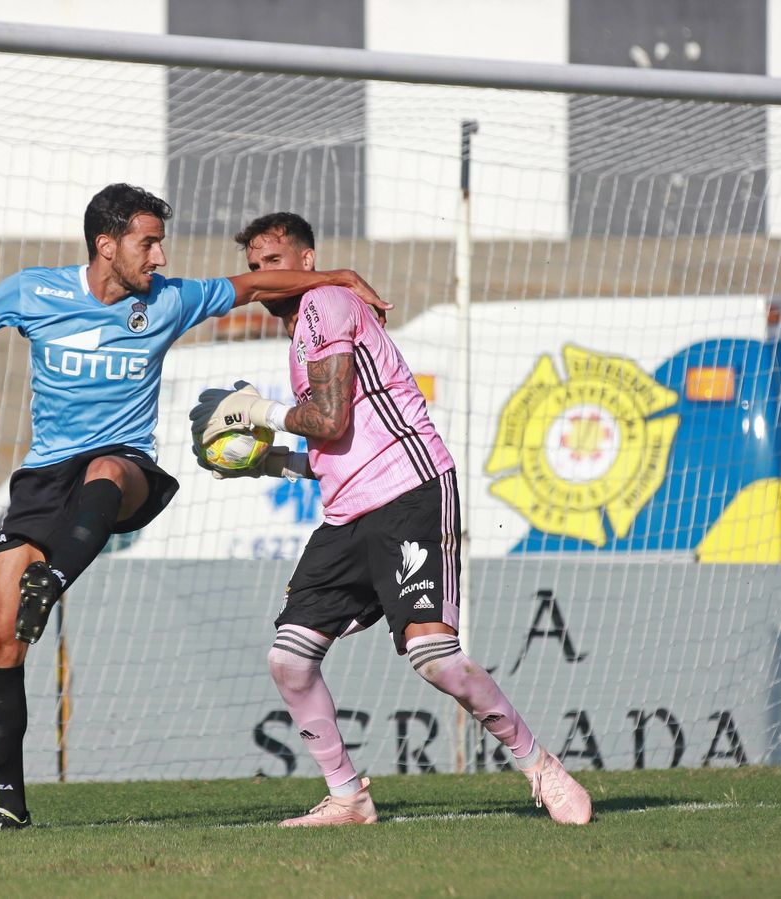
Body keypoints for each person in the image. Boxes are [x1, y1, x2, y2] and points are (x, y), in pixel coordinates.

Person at [0, 185, 388, 831]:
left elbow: (249, 288)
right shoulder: (35, 291)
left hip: (127, 470)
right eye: (148, 241)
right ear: (106, 245)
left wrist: (338, 276)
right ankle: (9, 804)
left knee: (106, 468)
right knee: (0, 639)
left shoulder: (168, 300)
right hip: (43, 478)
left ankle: (51, 581)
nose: (161, 256)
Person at [191, 212, 592, 828]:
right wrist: (274, 461)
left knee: (436, 659)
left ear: (307, 261)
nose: (259, 278)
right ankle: (348, 796)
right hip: (349, 511)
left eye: (271, 263)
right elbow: (338, 449)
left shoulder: (326, 302)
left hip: (409, 491)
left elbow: (327, 420)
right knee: (290, 660)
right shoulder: (308, 323)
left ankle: (539, 764)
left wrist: (258, 411)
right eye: (252, 268)